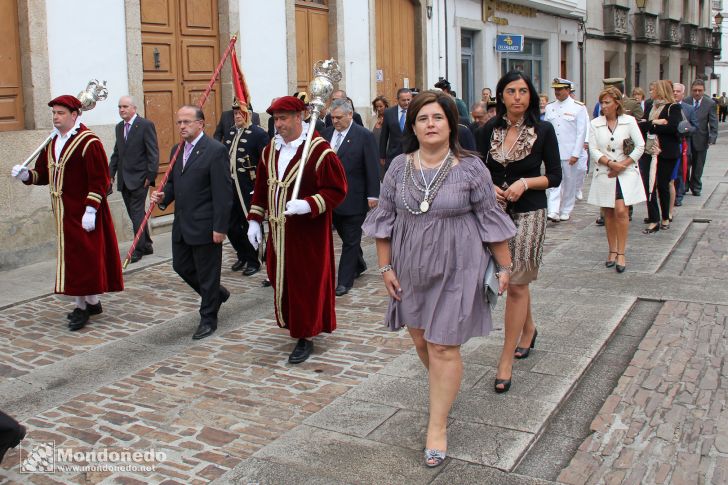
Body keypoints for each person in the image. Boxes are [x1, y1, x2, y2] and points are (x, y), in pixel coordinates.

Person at [364, 90, 515, 467]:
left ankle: (437, 425)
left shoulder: (471, 168)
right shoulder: (399, 166)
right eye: (423, 119)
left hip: (458, 265)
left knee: (443, 346)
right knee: (422, 342)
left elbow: (489, 219)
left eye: (438, 118)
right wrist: (385, 267)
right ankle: (445, 387)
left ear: (451, 124)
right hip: (410, 266)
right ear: (412, 126)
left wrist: (505, 266)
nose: (430, 125)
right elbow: (385, 219)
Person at [475, 71, 561, 393]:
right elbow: (475, 167)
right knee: (514, 282)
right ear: (501, 95)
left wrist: (525, 182)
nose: (517, 97)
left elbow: (555, 176)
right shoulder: (487, 130)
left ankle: (505, 359)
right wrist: (490, 186)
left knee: (517, 284)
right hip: (495, 214)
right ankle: (529, 329)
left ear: (531, 95)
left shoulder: (544, 130)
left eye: (523, 91)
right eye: (511, 91)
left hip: (530, 212)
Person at [247, 96, 347, 364]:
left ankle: (306, 335)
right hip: (278, 233)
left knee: (306, 284)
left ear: (299, 117)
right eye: (275, 119)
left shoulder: (319, 151)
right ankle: (292, 322)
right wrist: (255, 219)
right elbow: (261, 187)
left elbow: (337, 190)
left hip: (307, 234)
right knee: (284, 280)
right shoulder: (271, 150)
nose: (278, 124)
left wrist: (309, 204)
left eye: (283, 119)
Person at [11, 95, 124, 331]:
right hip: (63, 213)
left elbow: (100, 179)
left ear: (75, 115)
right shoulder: (51, 142)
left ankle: (81, 307)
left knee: (83, 259)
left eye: (61, 113)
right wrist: (26, 175)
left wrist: (91, 209)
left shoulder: (88, 142)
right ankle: (92, 302)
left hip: (83, 211)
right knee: (75, 259)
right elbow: (43, 174)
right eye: (54, 113)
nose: (56, 117)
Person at [150, 105, 233, 340]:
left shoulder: (215, 151)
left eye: (187, 122)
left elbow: (223, 193)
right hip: (182, 223)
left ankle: (208, 317)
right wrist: (164, 196)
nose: (182, 126)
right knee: (181, 266)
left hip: (205, 224)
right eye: (179, 122)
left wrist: (220, 227)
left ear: (201, 124)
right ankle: (216, 294)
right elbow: (176, 184)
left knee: (207, 274)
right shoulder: (177, 150)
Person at [323, 98, 380, 296]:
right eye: (332, 118)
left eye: (339, 117)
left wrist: (373, 195)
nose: (335, 121)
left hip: (354, 197)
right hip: (331, 198)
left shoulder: (363, 135)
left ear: (350, 115)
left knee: (351, 240)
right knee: (346, 236)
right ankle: (360, 264)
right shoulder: (326, 134)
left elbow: (372, 167)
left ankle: (344, 282)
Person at [587, 87, 645, 273]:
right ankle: (611, 250)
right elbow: (593, 149)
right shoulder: (596, 123)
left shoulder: (629, 121)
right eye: (602, 103)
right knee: (609, 212)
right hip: (605, 170)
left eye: (607, 103)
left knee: (621, 210)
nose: (603, 106)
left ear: (617, 103)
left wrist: (624, 164)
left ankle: (621, 252)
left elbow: (640, 145)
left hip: (625, 171)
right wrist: (610, 163)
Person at [109, 95, 160, 263]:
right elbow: (117, 153)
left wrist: (150, 176)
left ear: (133, 108)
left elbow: (153, 152)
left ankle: (138, 249)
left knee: (137, 213)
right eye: (119, 107)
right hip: (125, 179)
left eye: (125, 106)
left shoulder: (145, 125)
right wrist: (111, 174)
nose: (122, 110)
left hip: (140, 179)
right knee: (134, 214)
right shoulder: (119, 127)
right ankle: (147, 244)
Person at [222, 98, 269, 275]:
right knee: (230, 225)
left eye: (240, 113)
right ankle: (242, 254)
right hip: (230, 187)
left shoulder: (258, 134)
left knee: (250, 224)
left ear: (248, 114)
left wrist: (261, 187)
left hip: (248, 188)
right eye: (234, 113)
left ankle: (254, 260)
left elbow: (265, 163)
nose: (237, 116)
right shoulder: (230, 132)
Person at [638, 80, 682, 234]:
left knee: (662, 185)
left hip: (666, 153)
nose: (651, 92)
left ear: (661, 91)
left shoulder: (673, 107)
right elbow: (641, 125)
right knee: (649, 185)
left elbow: (672, 127)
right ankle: (653, 218)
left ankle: (665, 217)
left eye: (653, 89)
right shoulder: (650, 106)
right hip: (649, 151)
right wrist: (656, 122)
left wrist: (652, 125)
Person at [544, 78, 588, 222]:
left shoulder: (578, 107)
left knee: (569, 182)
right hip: (553, 151)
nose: (557, 92)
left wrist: (576, 153)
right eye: (555, 89)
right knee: (553, 182)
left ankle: (566, 209)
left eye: (560, 89)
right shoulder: (550, 107)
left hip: (570, 151)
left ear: (568, 90)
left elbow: (581, 132)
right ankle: (553, 210)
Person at [688, 79, 718, 196]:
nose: (697, 93)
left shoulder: (709, 103)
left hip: (701, 138)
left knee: (698, 165)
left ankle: (696, 187)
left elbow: (713, 121)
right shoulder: (686, 101)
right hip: (687, 139)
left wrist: (712, 137)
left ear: (703, 91)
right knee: (686, 164)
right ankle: (684, 185)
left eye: (700, 91)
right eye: (695, 90)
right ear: (691, 90)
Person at [673, 82, 697, 208]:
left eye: (678, 91)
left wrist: (686, 129)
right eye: (673, 91)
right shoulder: (668, 107)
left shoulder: (689, 109)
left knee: (681, 172)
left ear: (683, 93)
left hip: (683, 145)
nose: (675, 93)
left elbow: (695, 127)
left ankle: (679, 196)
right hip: (670, 145)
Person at [379, 88, 412, 178]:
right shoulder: (389, 113)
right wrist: (382, 155)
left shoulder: (415, 112)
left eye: (408, 100)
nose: (406, 102)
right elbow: (384, 135)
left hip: (411, 153)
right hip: (393, 153)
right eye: (403, 100)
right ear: (397, 100)